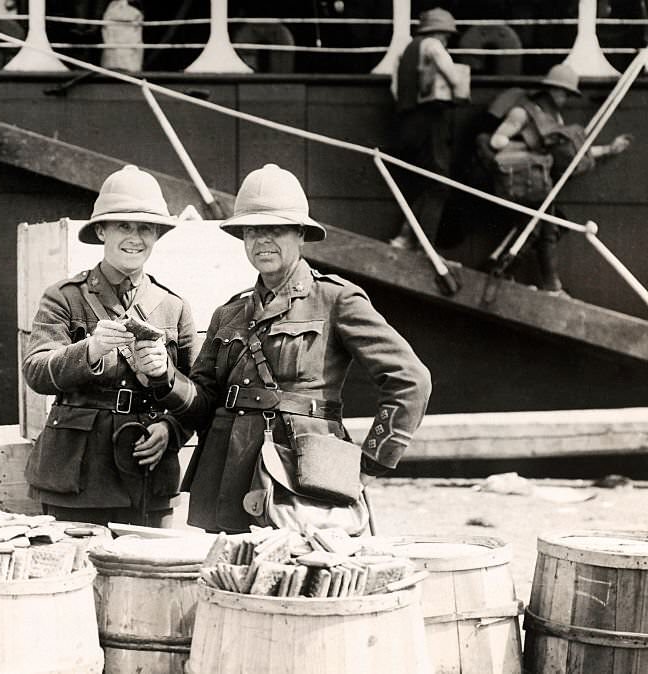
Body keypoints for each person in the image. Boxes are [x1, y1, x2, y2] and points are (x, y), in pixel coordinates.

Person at [146, 164, 431, 534]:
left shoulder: (335, 300)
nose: (262, 241)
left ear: (300, 234)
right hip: (227, 474)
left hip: (299, 477)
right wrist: (166, 380)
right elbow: (204, 398)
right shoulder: (229, 312)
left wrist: (370, 463)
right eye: (252, 230)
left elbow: (411, 380)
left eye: (275, 229)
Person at [22, 165, 197, 527]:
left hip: (148, 470)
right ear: (101, 230)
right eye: (123, 226)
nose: (135, 238)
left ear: (157, 236)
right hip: (79, 473)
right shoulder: (64, 298)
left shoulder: (173, 306)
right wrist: (89, 350)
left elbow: (197, 396)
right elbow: (36, 372)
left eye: (145, 228)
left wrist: (170, 428)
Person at [480, 63, 632, 294]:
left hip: (541, 183)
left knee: (544, 230)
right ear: (550, 89)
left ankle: (528, 277)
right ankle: (519, 276)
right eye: (561, 91)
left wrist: (609, 149)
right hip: (520, 182)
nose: (564, 97)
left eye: (568, 93)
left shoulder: (554, 119)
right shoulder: (522, 112)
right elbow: (497, 142)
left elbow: (568, 153)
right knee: (538, 230)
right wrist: (534, 144)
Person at [388, 8, 468, 251]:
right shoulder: (433, 45)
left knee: (424, 183)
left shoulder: (405, 52)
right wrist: (460, 94)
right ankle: (426, 247)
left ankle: (404, 237)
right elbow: (453, 77)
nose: (447, 40)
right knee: (438, 184)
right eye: (447, 35)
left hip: (407, 123)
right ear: (441, 32)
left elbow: (395, 89)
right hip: (430, 122)